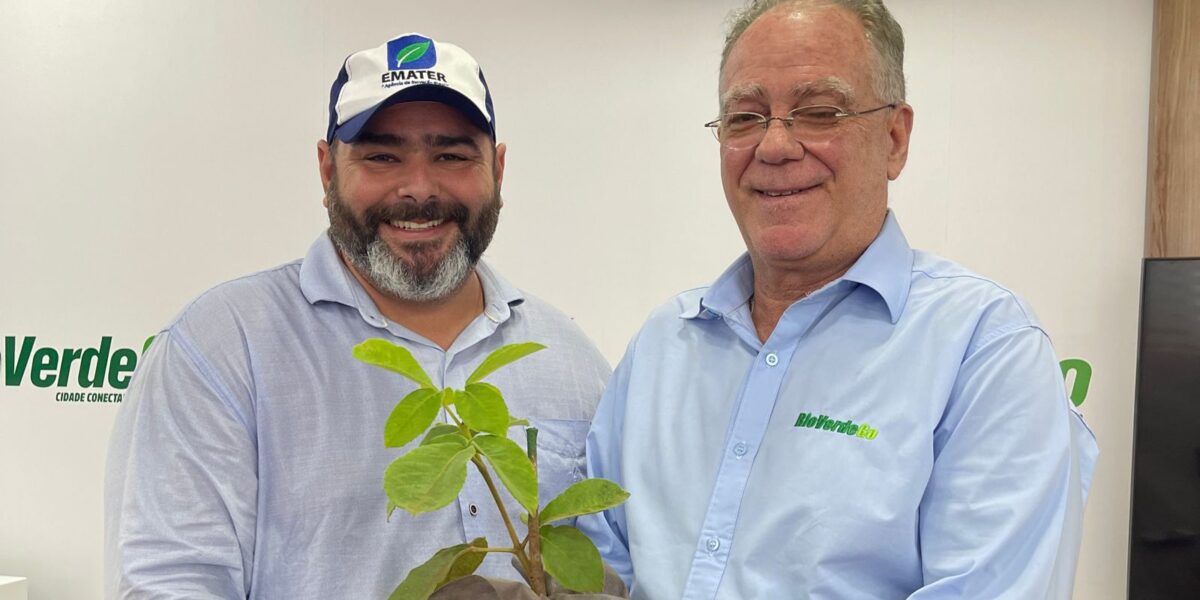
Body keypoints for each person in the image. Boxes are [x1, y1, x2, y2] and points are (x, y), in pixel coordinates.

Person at [577, 1, 1099, 598]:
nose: (774, 145)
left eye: (819, 111)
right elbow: (594, 563)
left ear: (896, 138)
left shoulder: (984, 349)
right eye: (746, 117)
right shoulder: (664, 345)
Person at [105, 33, 611, 599]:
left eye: (451, 155)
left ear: (497, 169)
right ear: (327, 171)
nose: (419, 188)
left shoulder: (568, 357)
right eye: (381, 155)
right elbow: (172, 584)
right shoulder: (222, 349)